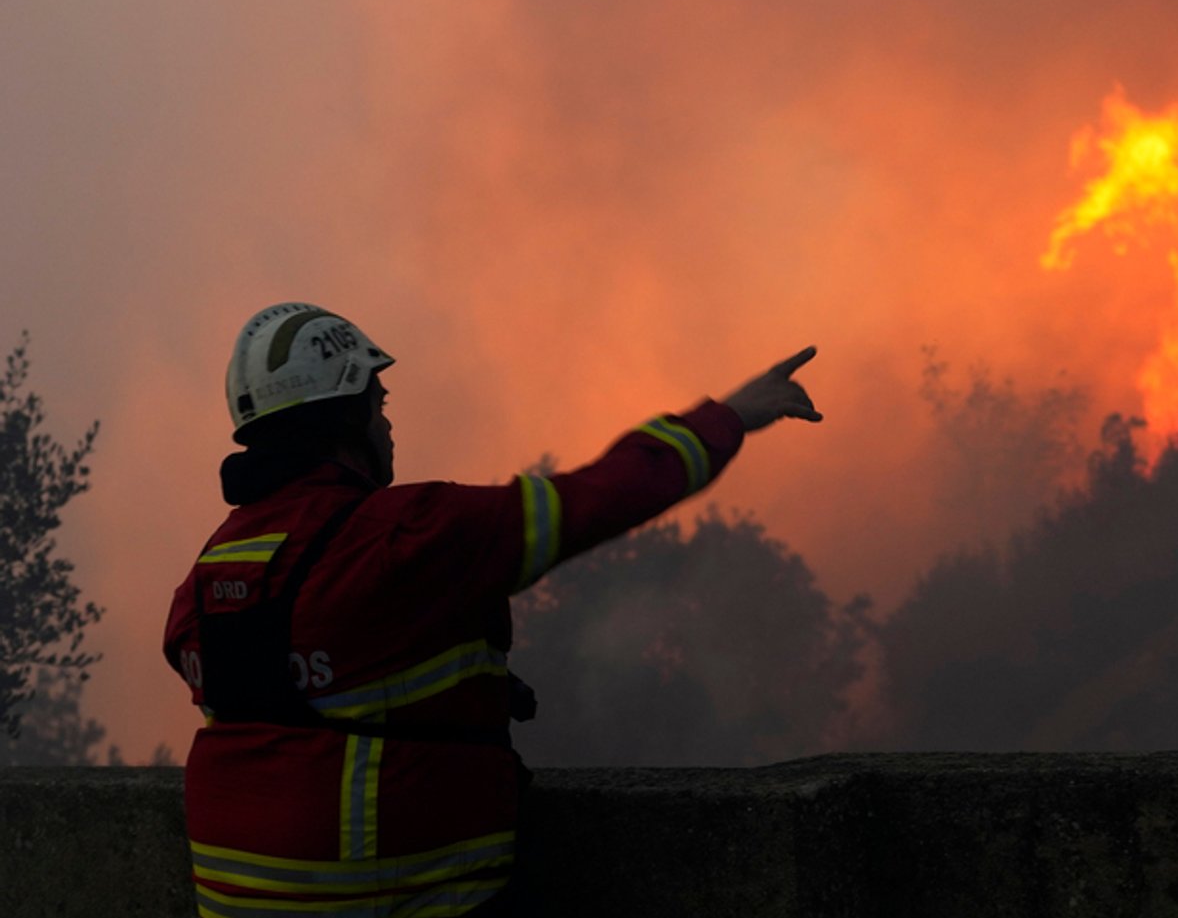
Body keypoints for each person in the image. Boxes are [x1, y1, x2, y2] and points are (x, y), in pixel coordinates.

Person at [162, 303, 820, 917]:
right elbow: (604, 494)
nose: (387, 421)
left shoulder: (212, 566)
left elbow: (312, 679)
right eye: (377, 402)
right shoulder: (412, 533)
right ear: (344, 417)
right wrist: (732, 414)